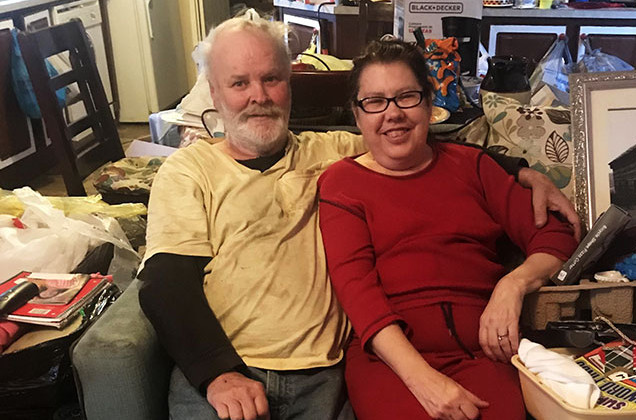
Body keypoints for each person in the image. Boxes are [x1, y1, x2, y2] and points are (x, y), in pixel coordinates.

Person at [138, 15, 580, 420]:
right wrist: (218, 374)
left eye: (271, 78)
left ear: (289, 84)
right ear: (214, 94)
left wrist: (523, 172)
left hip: (323, 376)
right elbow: (165, 283)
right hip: (233, 373)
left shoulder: (332, 153)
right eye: (239, 83)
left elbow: (430, 150)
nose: (259, 96)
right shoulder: (188, 171)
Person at [317, 40, 579, 420]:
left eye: (406, 97)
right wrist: (424, 381)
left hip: (487, 350)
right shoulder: (342, 184)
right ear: (358, 117)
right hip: (392, 362)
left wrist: (513, 285)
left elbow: (556, 236)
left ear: (429, 105)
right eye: (374, 102)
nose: (392, 114)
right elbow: (360, 297)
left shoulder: (473, 167)